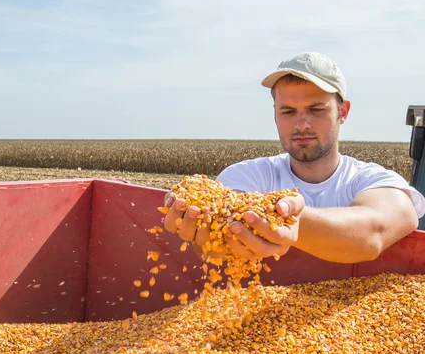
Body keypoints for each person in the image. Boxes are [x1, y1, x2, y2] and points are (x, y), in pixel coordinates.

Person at [163, 52, 425, 264]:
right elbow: (216, 250)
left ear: (342, 112)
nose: (301, 125)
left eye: (315, 110)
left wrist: (289, 220)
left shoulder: (371, 179)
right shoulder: (247, 176)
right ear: (275, 113)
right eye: (288, 112)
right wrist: (206, 232)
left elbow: (373, 233)